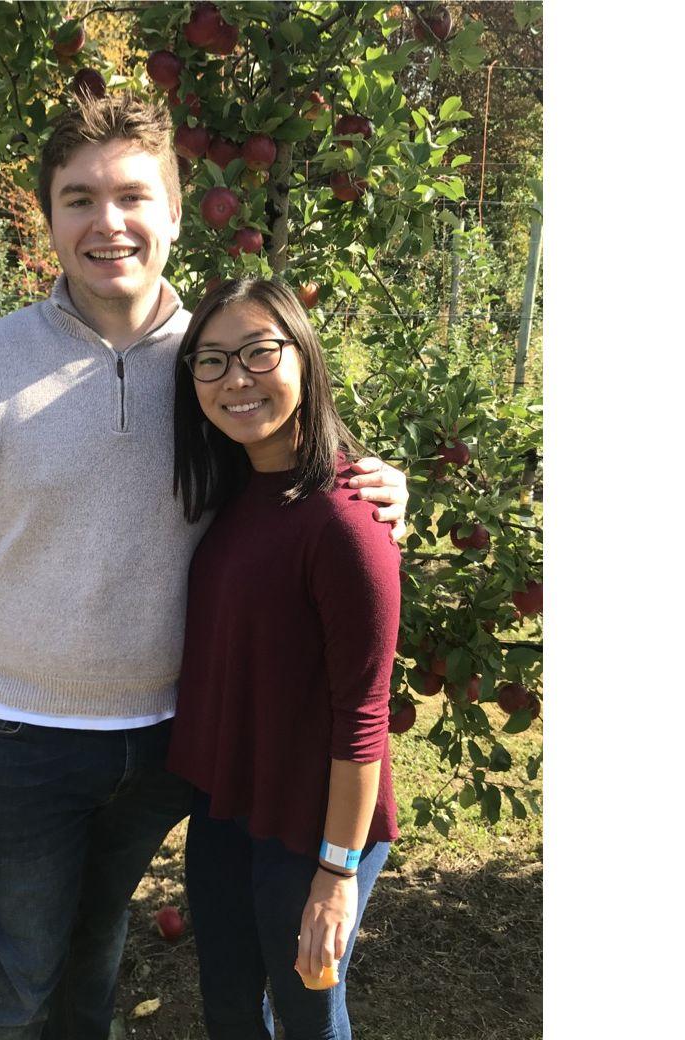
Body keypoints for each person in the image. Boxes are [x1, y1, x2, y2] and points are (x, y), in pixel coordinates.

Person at [0, 92, 409, 1040]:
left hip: (176, 743)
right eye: (79, 198)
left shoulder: (218, 359)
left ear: (176, 211)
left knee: (96, 952)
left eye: (133, 196)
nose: (109, 223)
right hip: (21, 735)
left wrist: (384, 486)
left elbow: (297, 478)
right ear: (48, 216)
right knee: (15, 974)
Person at [167, 276, 402, 1040]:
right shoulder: (234, 487)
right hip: (230, 809)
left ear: (304, 356)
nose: (236, 377)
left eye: (259, 352)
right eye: (211, 360)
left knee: (306, 1015)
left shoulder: (344, 520)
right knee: (230, 1006)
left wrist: (335, 877)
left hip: (313, 825)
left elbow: (363, 718)